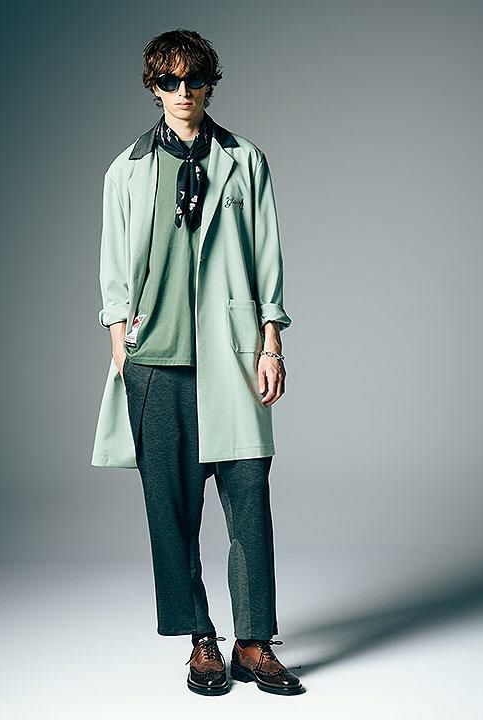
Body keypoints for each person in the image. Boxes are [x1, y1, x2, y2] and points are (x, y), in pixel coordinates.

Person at [92, 28, 304, 697]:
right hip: (154, 363)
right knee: (172, 511)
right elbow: (114, 271)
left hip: (233, 355)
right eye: (169, 81)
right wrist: (120, 347)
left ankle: (254, 641)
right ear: (153, 87)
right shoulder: (126, 171)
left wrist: (271, 343)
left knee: (249, 505)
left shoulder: (245, 160)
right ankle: (200, 640)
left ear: (210, 83)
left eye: (194, 79)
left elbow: (267, 256)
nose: (183, 92)